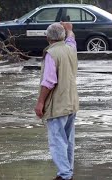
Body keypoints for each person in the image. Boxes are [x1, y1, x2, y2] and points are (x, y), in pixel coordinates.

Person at [34, 22, 79, 180]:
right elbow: (71, 39)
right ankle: (67, 171)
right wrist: (69, 30)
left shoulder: (51, 53)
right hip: (72, 103)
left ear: (47, 38)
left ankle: (65, 175)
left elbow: (48, 82)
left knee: (57, 140)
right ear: (63, 37)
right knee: (68, 139)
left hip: (58, 105)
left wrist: (40, 103)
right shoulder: (70, 48)